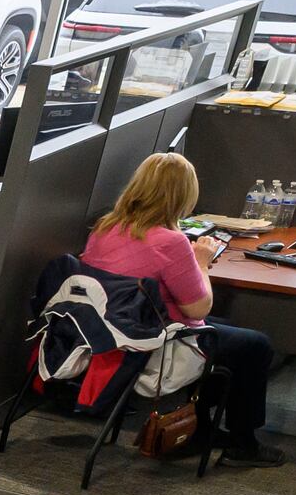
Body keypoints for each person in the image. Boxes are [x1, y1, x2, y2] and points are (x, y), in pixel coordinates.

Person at [81, 148, 278, 464]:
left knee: (226, 330)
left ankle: (198, 428)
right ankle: (244, 444)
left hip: (109, 334)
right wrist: (201, 261)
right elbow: (197, 310)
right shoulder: (171, 243)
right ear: (183, 197)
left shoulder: (106, 227)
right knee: (256, 345)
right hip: (156, 343)